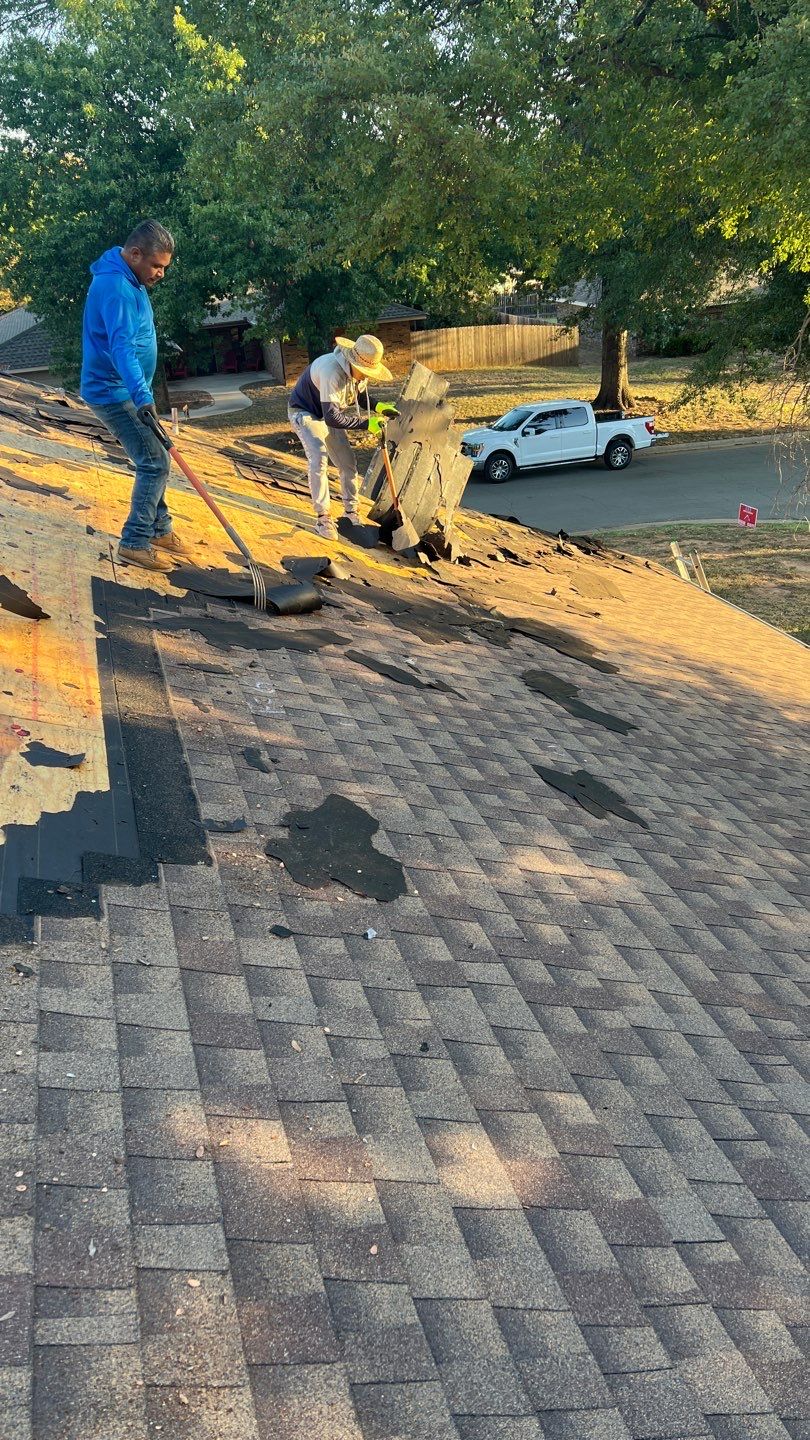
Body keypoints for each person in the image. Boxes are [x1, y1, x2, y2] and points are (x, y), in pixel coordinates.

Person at [81, 219, 190, 572]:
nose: (161, 273)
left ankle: (160, 529)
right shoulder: (117, 287)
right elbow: (121, 348)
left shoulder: (130, 278)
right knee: (155, 462)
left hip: (125, 387)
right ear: (135, 254)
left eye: (164, 267)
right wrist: (143, 396)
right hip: (113, 391)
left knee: (154, 455)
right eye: (157, 265)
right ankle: (134, 541)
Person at [288, 334, 398, 539]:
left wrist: (379, 406)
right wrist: (367, 424)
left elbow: (359, 395)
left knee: (348, 463)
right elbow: (331, 418)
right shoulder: (332, 372)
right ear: (353, 362)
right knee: (319, 458)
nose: (365, 376)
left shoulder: (358, 373)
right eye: (364, 372)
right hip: (305, 412)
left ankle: (351, 512)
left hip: (329, 413)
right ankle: (323, 518)